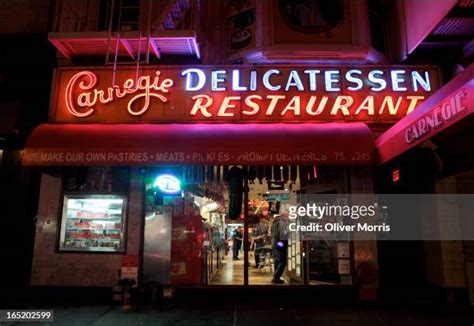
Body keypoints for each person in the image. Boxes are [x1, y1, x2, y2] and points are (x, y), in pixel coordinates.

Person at [271, 213, 288, 284]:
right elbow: (282, 234)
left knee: (277, 261)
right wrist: (283, 244)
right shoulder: (281, 223)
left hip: (275, 245)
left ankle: (276, 277)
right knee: (282, 261)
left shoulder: (274, 224)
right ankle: (276, 277)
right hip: (279, 245)